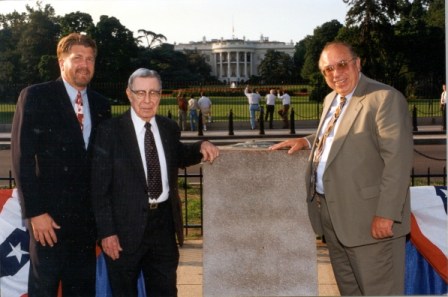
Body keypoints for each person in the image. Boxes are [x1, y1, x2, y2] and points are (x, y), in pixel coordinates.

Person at [270, 41, 413, 296]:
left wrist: (386, 214)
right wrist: (306, 141)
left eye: (342, 65)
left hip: (371, 220)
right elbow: (338, 133)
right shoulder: (332, 99)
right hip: (335, 220)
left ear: (357, 63)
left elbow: (398, 162)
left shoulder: (384, 99)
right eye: (328, 69)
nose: (336, 73)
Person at [91, 68, 219, 296]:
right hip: (123, 230)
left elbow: (179, 154)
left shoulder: (168, 128)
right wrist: (107, 232)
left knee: (166, 291)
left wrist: (201, 146)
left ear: (161, 95)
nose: (147, 100)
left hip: (162, 227)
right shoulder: (109, 131)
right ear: (129, 94)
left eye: (154, 93)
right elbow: (99, 188)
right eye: (140, 93)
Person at [11, 32, 111, 296]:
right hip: (48, 222)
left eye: (90, 59)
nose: (85, 64)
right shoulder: (36, 96)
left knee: (81, 290)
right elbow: (22, 159)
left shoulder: (102, 105)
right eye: (77, 57)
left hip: (86, 225)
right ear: (61, 61)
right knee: (44, 289)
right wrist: (35, 213)